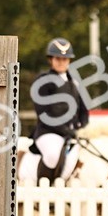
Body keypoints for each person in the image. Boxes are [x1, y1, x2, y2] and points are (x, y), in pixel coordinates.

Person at [19, 38, 90, 183]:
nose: (61, 62)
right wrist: (66, 130)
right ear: (51, 59)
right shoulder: (42, 82)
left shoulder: (74, 82)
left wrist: (81, 125)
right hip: (48, 132)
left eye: (65, 59)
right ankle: (45, 190)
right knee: (52, 155)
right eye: (58, 58)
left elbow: (83, 110)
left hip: (71, 134)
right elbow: (44, 115)